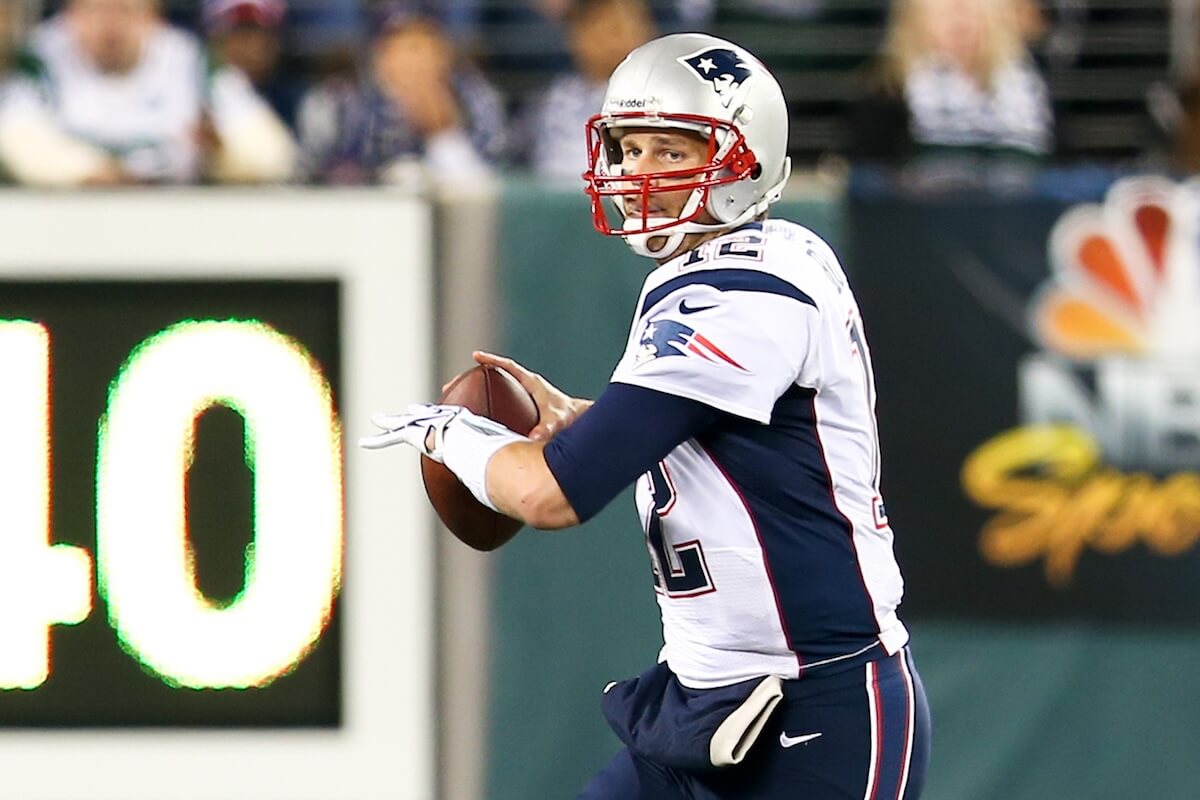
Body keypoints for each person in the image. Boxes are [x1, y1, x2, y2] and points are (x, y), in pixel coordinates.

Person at [363, 32, 930, 799]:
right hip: (699, 698)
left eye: (672, 150)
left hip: (817, 714)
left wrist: (449, 432)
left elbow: (547, 496)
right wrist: (595, 421)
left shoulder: (740, 299)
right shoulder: (757, 258)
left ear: (746, 158)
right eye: (630, 150)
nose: (640, 174)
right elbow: (733, 438)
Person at [0, 0, 296, 186]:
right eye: (96, 10)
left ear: (153, 15)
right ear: (70, 14)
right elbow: (15, 139)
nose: (111, 26)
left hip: (177, 226)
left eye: (125, 11)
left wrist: (223, 153)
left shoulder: (189, 61)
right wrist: (88, 172)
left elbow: (272, 153)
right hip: (69, 228)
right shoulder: (43, 60)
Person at [296, 0, 506, 186]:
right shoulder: (336, 104)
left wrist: (443, 135)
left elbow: (487, 194)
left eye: (422, 45)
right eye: (398, 46)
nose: (412, 61)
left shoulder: (476, 101)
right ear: (377, 54)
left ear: (444, 51)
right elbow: (306, 183)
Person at [849, 0, 1053, 167]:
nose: (959, 22)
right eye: (945, 12)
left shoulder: (1031, 86)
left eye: (969, 11)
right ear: (916, 20)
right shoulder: (887, 91)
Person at [516, 0, 654, 181]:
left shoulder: (665, 98)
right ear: (578, 37)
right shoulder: (551, 103)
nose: (626, 38)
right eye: (613, 30)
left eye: (634, 26)